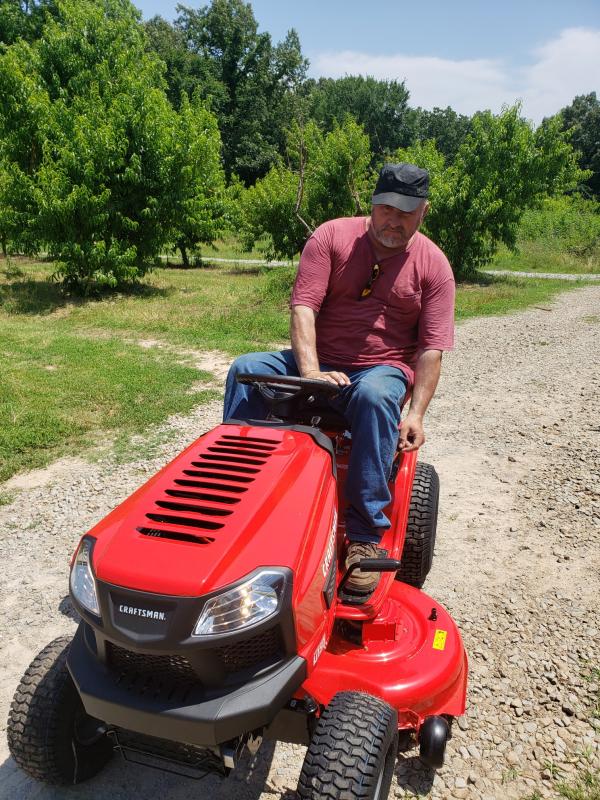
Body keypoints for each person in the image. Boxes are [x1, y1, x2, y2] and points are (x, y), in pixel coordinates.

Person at [223, 162, 455, 596]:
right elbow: (303, 308)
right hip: (316, 362)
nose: (394, 220)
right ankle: (233, 499)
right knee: (245, 372)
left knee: (374, 396)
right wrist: (310, 372)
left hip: (378, 370)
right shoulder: (330, 237)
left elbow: (431, 349)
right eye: (386, 208)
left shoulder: (434, 266)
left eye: (406, 212)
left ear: (423, 212)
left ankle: (365, 539)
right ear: (372, 204)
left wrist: (418, 414)